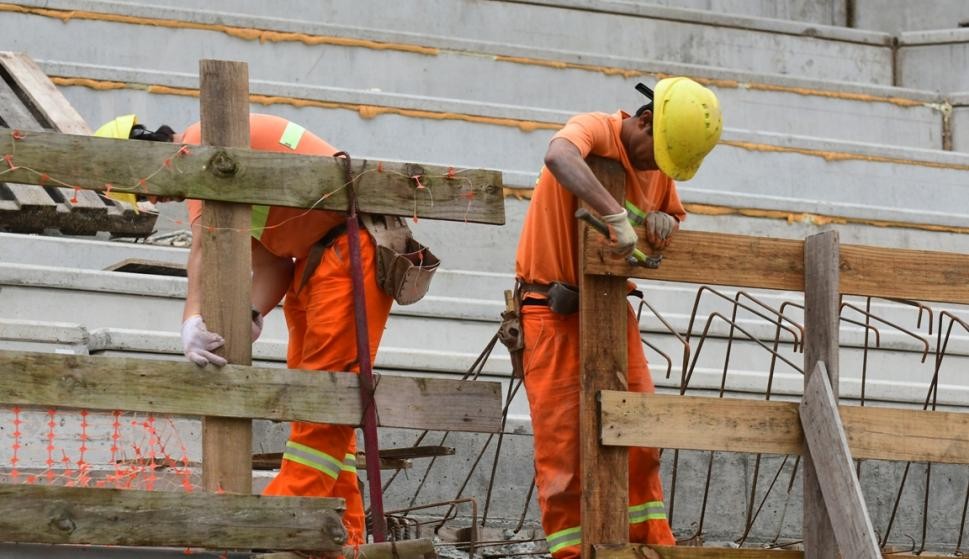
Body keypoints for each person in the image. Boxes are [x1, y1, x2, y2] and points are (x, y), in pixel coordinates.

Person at [513, 77, 722, 557]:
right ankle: (573, 553)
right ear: (643, 121)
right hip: (551, 312)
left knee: (640, 434)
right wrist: (613, 214)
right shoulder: (596, 129)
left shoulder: (661, 164)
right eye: (654, 157)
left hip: (610, 310)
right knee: (564, 455)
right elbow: (558, 157)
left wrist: (665, 221)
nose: (655, 168)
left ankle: (649, 548)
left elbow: (666, 215)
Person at [178, 113, 394, 547]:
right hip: (316, 263)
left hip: (348, 250)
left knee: (322, 402)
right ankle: (340, 538)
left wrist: (190, 319)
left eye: (144, 194)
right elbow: (274, 260)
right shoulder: (235, 165)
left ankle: (281, 525)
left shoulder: (200, 144)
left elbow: (204, 243)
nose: (158, 202)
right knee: (317, 407)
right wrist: (254, 312)